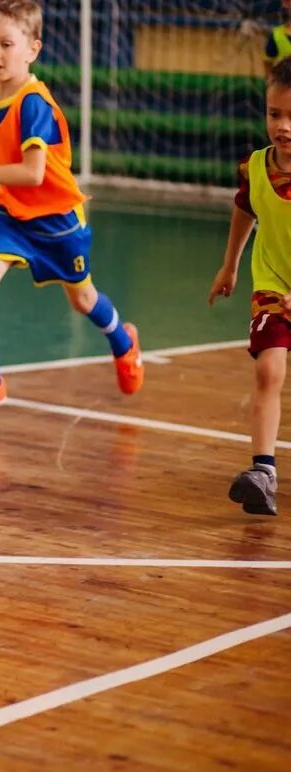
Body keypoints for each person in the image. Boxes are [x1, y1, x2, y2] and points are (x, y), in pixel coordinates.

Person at [0, 0, 143, 422]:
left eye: (6, 44)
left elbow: (33, 173)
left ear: (32, 48)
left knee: (82, 299)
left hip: (58, 222)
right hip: (13, 216)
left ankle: (124, 343)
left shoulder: (34, 104)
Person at [207, 58, 291, 515]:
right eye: (275, 114)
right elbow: (246, 208)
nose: (284, 126)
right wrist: (229, 265)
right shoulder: (255, 167)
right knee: (268, 371)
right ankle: (263, 471)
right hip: (273, 285)